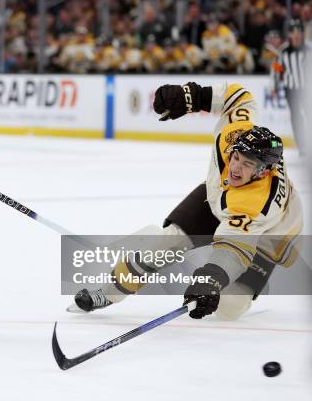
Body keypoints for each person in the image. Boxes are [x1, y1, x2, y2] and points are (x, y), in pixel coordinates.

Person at [74, 81, 303, 320]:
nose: (235, 167)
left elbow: (233, 249)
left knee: (229, 307)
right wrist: (193, 96)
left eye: (247, 165)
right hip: (219, 198)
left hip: (269, 234)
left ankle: (249, 282)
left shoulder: (258, 205)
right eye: (236, 157)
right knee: (161, 245)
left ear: (263, 172)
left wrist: (211, 279)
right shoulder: (233, 133)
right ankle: (108, 293)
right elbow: (240, 96)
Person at [271, 19, 309, 156]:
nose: (297, 35)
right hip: (291, 90)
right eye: (294, 32)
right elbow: (276, 70)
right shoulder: (284, 51)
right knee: (297, 118)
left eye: (299, 31)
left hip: (307, 89)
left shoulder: (309, 49)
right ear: (290, 34)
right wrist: (274, 86)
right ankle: (303, 148)